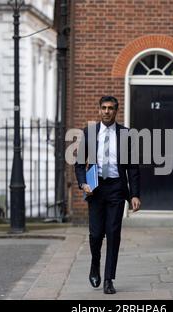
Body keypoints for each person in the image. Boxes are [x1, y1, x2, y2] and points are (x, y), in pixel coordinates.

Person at [74, 95, 141, 294]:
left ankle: (109, 278)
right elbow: (79, 164)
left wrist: (134, 195)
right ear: (99, 110)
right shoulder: (90, 132)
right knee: (95, 234)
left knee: (113, 234)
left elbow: (133, 167)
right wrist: (83, 183)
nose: (106, 111)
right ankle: (95, 263)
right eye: (103, 107)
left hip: (116, 190)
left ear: (116, 111)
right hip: (95, 189)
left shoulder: (126, 134)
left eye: (110, 108)